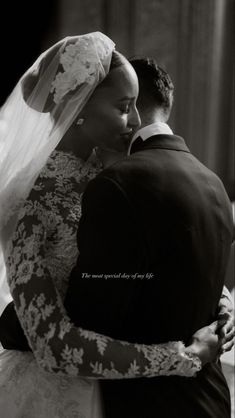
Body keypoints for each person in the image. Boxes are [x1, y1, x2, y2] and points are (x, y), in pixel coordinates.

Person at [0, 37, 232, 417]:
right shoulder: (28, 198)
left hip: (127, 393)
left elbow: (161, 257)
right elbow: (52, 346)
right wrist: (183, 357)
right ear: (80, 106)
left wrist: (222, 305)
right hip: (58, 392)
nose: (137, 122)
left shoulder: (115, 178)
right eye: (124, 108)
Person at [62, 57, 234, 418]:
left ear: (131, 103)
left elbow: (89, 314)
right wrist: (225, 304)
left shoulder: (117, 185)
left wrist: (19, 324)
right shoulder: (214, 183)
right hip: (212, 399)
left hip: (145, 402)